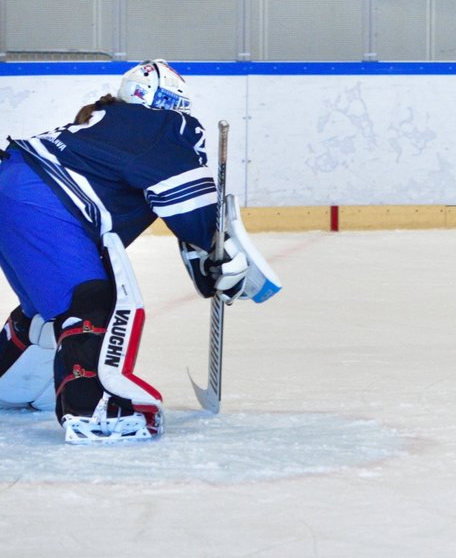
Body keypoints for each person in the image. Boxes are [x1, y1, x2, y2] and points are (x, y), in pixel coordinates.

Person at [0, 59, 275, 443]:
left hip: (12, 183)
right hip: (39, 202)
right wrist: (218, 252)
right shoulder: (164, 125)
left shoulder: (107, 119)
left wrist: (205, 251)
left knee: (49, 306)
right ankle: (94, 408)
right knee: (91, 303)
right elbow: (189, 203)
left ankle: (11, 382)